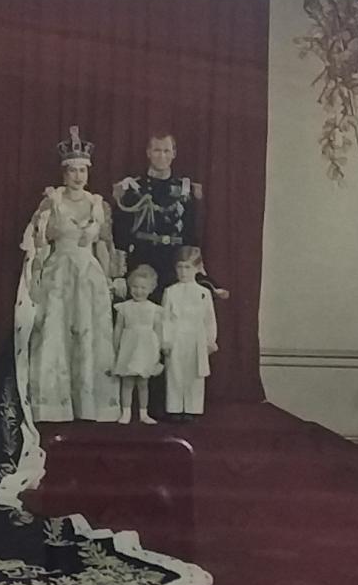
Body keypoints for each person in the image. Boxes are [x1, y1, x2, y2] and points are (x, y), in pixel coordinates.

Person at [18, 127, 120, 423]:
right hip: (59, 275)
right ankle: (53, 405)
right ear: (64, 173)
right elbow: (38, 244)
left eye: (83, 170)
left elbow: (104, 245)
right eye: (73, 170)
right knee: (55, 333)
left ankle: (90, 403)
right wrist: (34, 278)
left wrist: (110, 279)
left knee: (90, 335)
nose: (78, 176)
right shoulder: (53, 202)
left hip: (89, 276)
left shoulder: (98, 205)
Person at [111, 132, 228, 300]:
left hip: (174, 263)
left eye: (166, 151)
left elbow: (191, 234)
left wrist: (197, 269)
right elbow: (120, 234)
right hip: (142, 259)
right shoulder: (134, 188)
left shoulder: (186, 190)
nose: (162, 156)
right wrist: (119, 275)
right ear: (148, 153)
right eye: (157, 150)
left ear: (174, 153)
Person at [161, 247, 218, 418]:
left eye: (188, 267)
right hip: (177, 337)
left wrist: (210, 340)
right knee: (175, 372)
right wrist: (166, 340)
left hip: (196, 337)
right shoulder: (170, 292)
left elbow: (209, 319)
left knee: (195, 374)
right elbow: (165, 318)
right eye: (180, 267)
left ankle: (193, 408)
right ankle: (174, 408)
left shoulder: (204, 293)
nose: (183, 272)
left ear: (197, 268)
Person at [112, 264, 164, 424]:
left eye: (143, 288)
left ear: (150, 289)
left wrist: (159, 350)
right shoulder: (124, 307)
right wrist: (116, 347)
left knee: (143, 383)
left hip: (146, 348)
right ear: (129, 287)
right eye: (135, 287)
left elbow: (158, 331)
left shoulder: (154, 309)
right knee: (127, 382)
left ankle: (143, 413)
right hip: (129, 347)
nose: (138, 291)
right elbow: (118, 328)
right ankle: (126, 412)